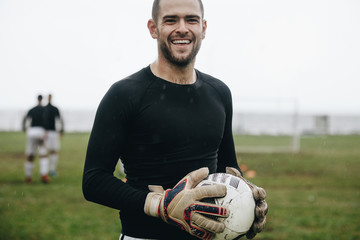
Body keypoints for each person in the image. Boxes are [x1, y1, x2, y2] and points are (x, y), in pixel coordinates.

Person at [82, 0, 268, 239]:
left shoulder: (219, 92)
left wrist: (248, 202)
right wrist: (161, 206)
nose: (182, 28)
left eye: (191, 19)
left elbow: (227, 167)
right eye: (171, 20)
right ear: (153, 28)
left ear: (204, 28)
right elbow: (94, 180)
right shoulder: (125, 94)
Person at [22, 94, 50, 183]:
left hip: (31, 132)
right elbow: (47, 120)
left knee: (30, 155)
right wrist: (46, 131)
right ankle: (44, 175)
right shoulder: (44, 109)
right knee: (43, 154)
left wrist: (24, 128)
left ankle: (28, 176)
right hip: (40, 132)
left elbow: (25, 119)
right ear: (42, 99)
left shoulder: (32, 109)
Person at [44, 94, 64, 177]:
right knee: (46, 152)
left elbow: (59, 120)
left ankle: (52, 170)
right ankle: (45, 171)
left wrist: (61, 131)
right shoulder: (45, 109)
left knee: (53, 151)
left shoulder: (54, 109)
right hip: (46, 132)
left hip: (53, 132)